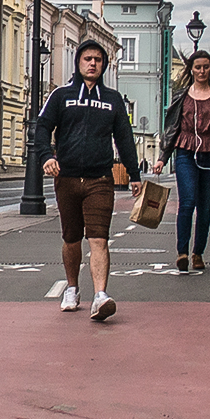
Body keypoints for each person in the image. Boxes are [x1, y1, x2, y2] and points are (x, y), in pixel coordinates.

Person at [34, 38, 142, 322]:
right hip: (67, 177)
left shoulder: (112, 100)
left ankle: (100, 296)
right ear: (78, 63)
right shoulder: (61, 96)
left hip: (99, 179)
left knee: (98, 238)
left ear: (104, 65)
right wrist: (47, 156)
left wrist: (135, 174)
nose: (92, 63)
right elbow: (43, 128)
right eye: (87, 59)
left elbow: (125, 138)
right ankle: (72, 288)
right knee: (71, 238)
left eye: (97, 59)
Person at [161, 50, 210, 273]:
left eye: (206, 67)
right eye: (198, 67)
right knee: (187, 202)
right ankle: (182, 252)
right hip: (185, 153)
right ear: (190, 69)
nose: (202, 71)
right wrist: (163, 158)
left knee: (205, 207)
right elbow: (172, 127)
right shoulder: (181, 96)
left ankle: (198, 252)